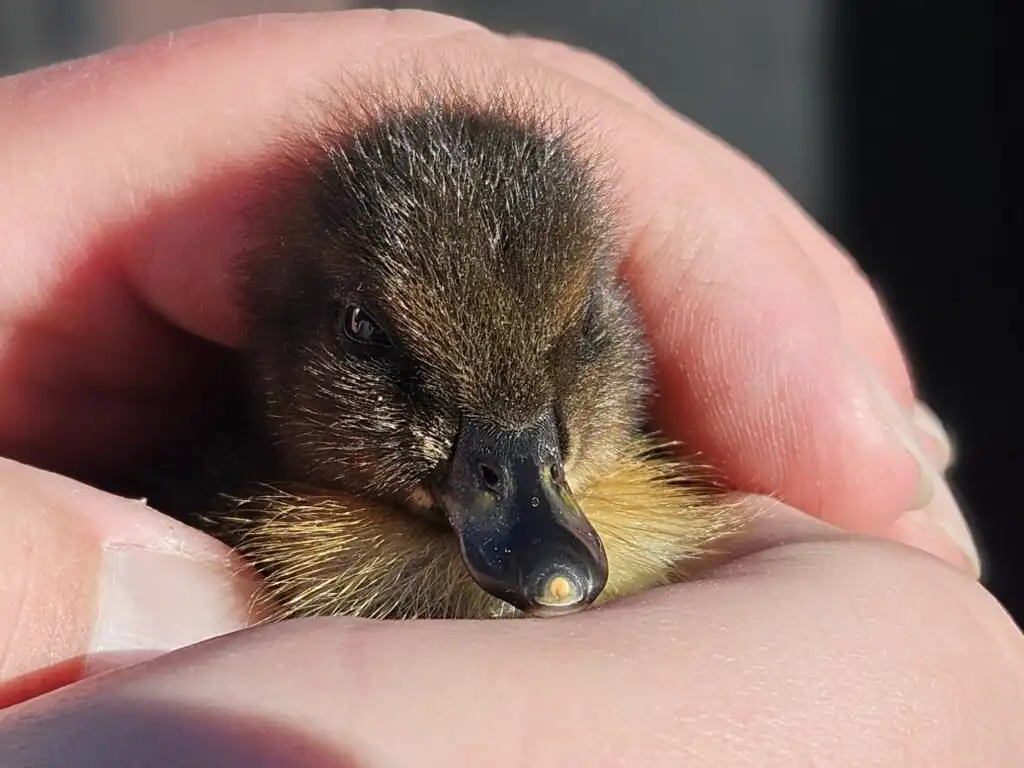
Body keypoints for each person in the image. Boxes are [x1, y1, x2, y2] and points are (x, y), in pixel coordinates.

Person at [0, 9, 1019, 765]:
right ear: (290, 324)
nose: (523, 499)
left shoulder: (707, 518)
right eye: (373, 339)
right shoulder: (204, 534)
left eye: (573, 335)